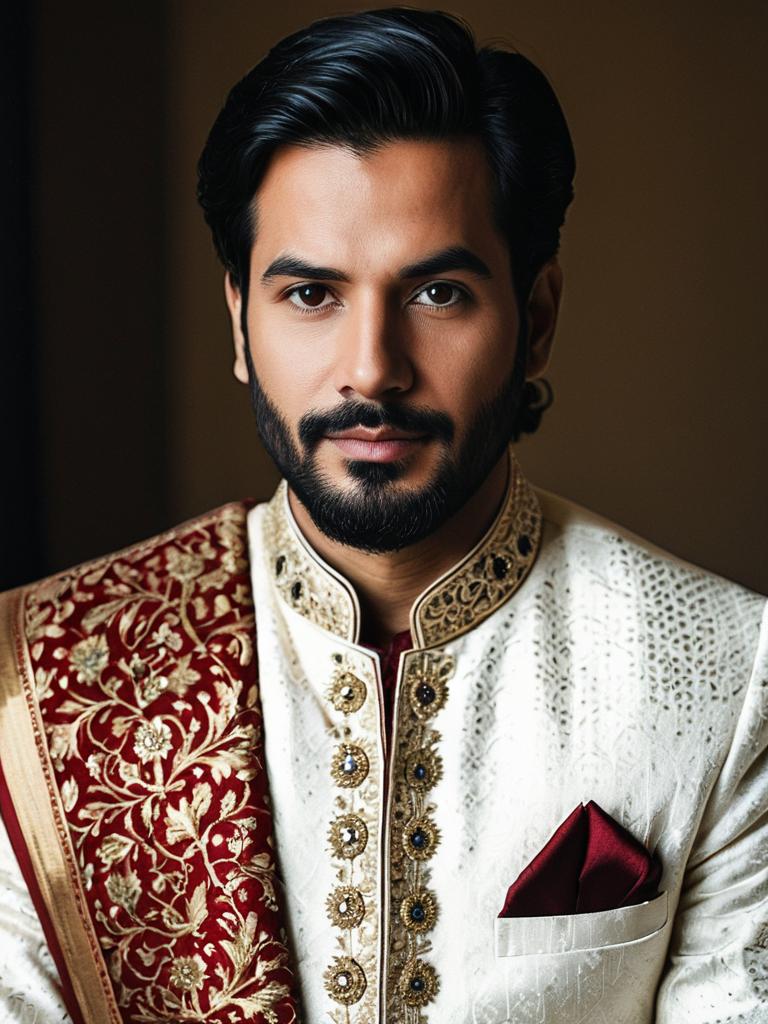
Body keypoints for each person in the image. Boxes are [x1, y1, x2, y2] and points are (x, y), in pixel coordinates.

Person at [1, 8, 766, 1023]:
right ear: (239, 323)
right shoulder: (38, 677)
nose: (372, 367)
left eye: (439, 292)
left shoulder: (727, 669)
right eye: (312, 293)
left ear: (535, 322)